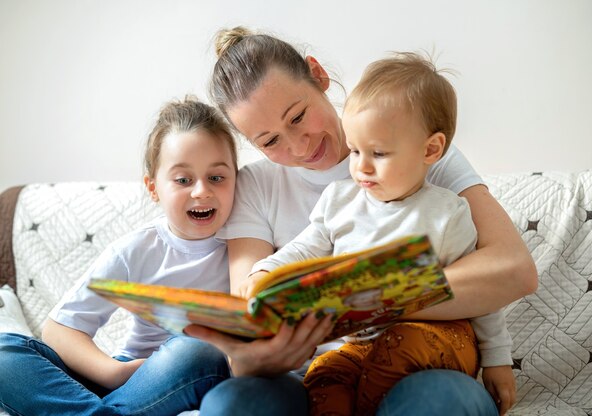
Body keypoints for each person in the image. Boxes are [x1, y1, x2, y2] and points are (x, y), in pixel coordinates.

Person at [185, 26, 537, 416]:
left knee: (440, 402)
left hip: (417, 365)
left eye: (298, 116)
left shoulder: (416, 148)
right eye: (269, 141)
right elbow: (247, 339)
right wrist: (267, 341)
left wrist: (371, 301)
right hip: (314, 375)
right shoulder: (262, 187)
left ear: (318, 75)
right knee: (230, 403)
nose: (299, 145)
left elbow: (513, 271)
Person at [0, 97, 238, 415]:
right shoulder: (137, 250)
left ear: (238, 181)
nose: (201, 191)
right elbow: (60, 329)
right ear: (153, 188)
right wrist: (113, 371)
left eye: (216, 178)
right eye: (183, 180)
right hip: (128, 379)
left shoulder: (248, 244)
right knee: (4, 352)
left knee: (196, 350)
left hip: (191, 372)